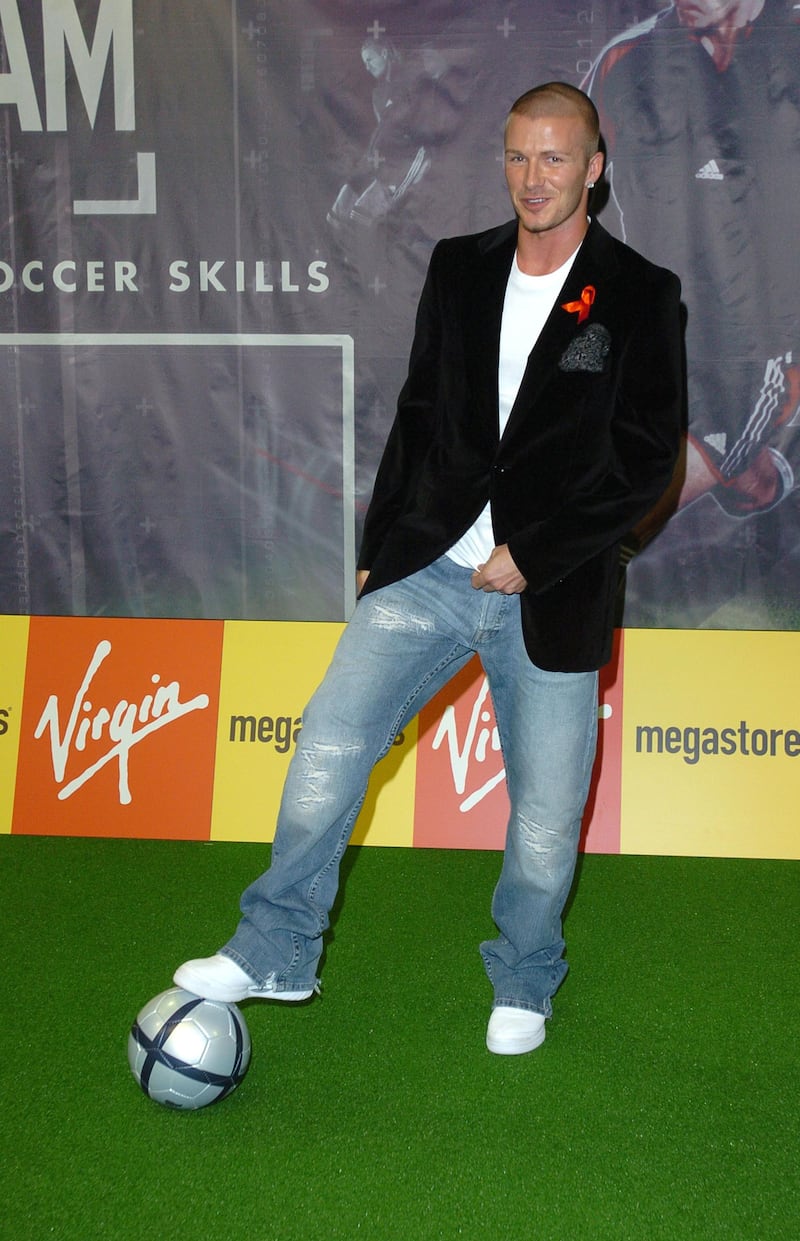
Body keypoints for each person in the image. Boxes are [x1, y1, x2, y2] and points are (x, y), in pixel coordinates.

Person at [175, 83, 685, 1055]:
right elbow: (416, 417)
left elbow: (645, 459)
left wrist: (533, 554)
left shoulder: (636, 294)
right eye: (514, 156)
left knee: (542, 816)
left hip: (550, 591)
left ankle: (524, 978)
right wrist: (376, 554)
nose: (530, 178)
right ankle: (275, 947)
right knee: (326, 745)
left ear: (592, 166)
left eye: (550, 158)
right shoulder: (459, 268)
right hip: (425, 570)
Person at [584, 0, 800, 552]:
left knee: (722, 437)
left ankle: (569, 557)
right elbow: (577, 192)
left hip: (767, 330)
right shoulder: (626, 60)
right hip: (661, 324)